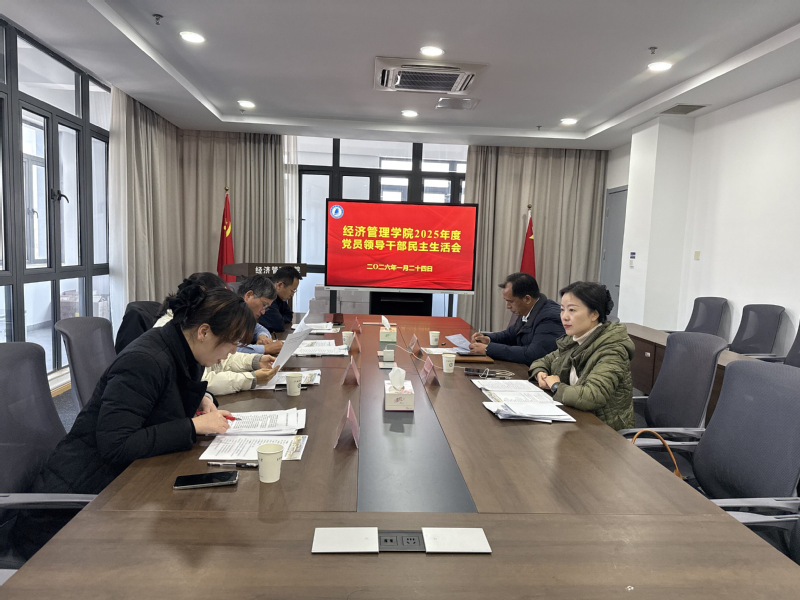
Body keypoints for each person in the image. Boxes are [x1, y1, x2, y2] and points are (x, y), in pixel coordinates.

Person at [12, 283, 256, 558]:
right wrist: (193, 426)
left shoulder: (182, 350)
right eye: (232, 342)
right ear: (204, 332)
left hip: (118, 488)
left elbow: (162, 397)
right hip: (69, 513)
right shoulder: (145, 360)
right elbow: (116, 444)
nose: (232, 352)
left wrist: (202, 399)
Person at [528, 281, 634, 430]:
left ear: (594, 314)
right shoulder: (575, 340)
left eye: (572, 310)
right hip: (576, 419)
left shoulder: (613, 349)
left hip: (604, 431)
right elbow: (543, 361)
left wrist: (556, 386)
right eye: (562, 309)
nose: (564, 317)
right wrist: (540, 372)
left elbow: (592, 396)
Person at [154, 273, 279, 394]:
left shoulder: (194, 324)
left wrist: (255, 361)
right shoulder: (180, 330)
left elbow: (219, 360)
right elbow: (202, 381)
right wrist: (250, 379)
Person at [469, 272, 564, 365]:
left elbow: (533, 355)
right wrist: (487, 339)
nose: (507, 306)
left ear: (527, 299)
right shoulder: (528, 309)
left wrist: (488, 349)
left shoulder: (550, 318)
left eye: (510, 301)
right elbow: (510, 335)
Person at [234, 274, 284, 355]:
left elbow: (258, 328)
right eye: (264, 305)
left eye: (266, 307)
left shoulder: (244, 316)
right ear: (249, 295)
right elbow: (227, 348)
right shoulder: (227, 312)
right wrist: (265, 349)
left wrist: (262, 336)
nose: (263, 312)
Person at [258, 266, 301, 333]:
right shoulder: (267, 296)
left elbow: (289, 315)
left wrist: (280, 318)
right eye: (292, 290)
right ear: (280, 285)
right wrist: (280, 318)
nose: (292, 294)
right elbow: (277, 325)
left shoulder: (279, 298)